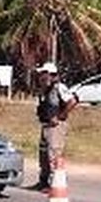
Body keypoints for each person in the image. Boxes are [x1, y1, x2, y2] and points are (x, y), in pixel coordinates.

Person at [33, 61, 78, 190]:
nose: (41, 76)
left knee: (54, 154)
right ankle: (43, 181)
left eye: (43, 73)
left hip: (56, 127)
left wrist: (60, 116)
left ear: (50, 74)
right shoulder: (45, 89)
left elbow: (72, 101)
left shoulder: (59, 87)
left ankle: (54, 184)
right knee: (43, 155)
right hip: (46, 125)